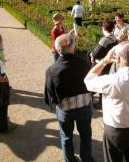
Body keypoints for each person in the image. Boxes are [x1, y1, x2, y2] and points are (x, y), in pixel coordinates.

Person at [44, 34, 93, 162]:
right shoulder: (85, 64)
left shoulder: (51, 70)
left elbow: (50, 94)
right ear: (74, 47)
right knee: (86, 134)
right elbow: (92, 85)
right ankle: (87, 159)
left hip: (65, 109)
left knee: (66, 136)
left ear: (57, 49)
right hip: (84, 105)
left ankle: (69, 159)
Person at [88, 19, 118, 108]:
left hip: (101, 64)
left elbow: (95, 53)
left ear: (103, 28)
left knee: (93, 81)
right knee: (104, 83)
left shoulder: (105, 40)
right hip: (109, 64)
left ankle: (92, 100)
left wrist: (90, 54)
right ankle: (101, 102)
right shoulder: (114, 38)